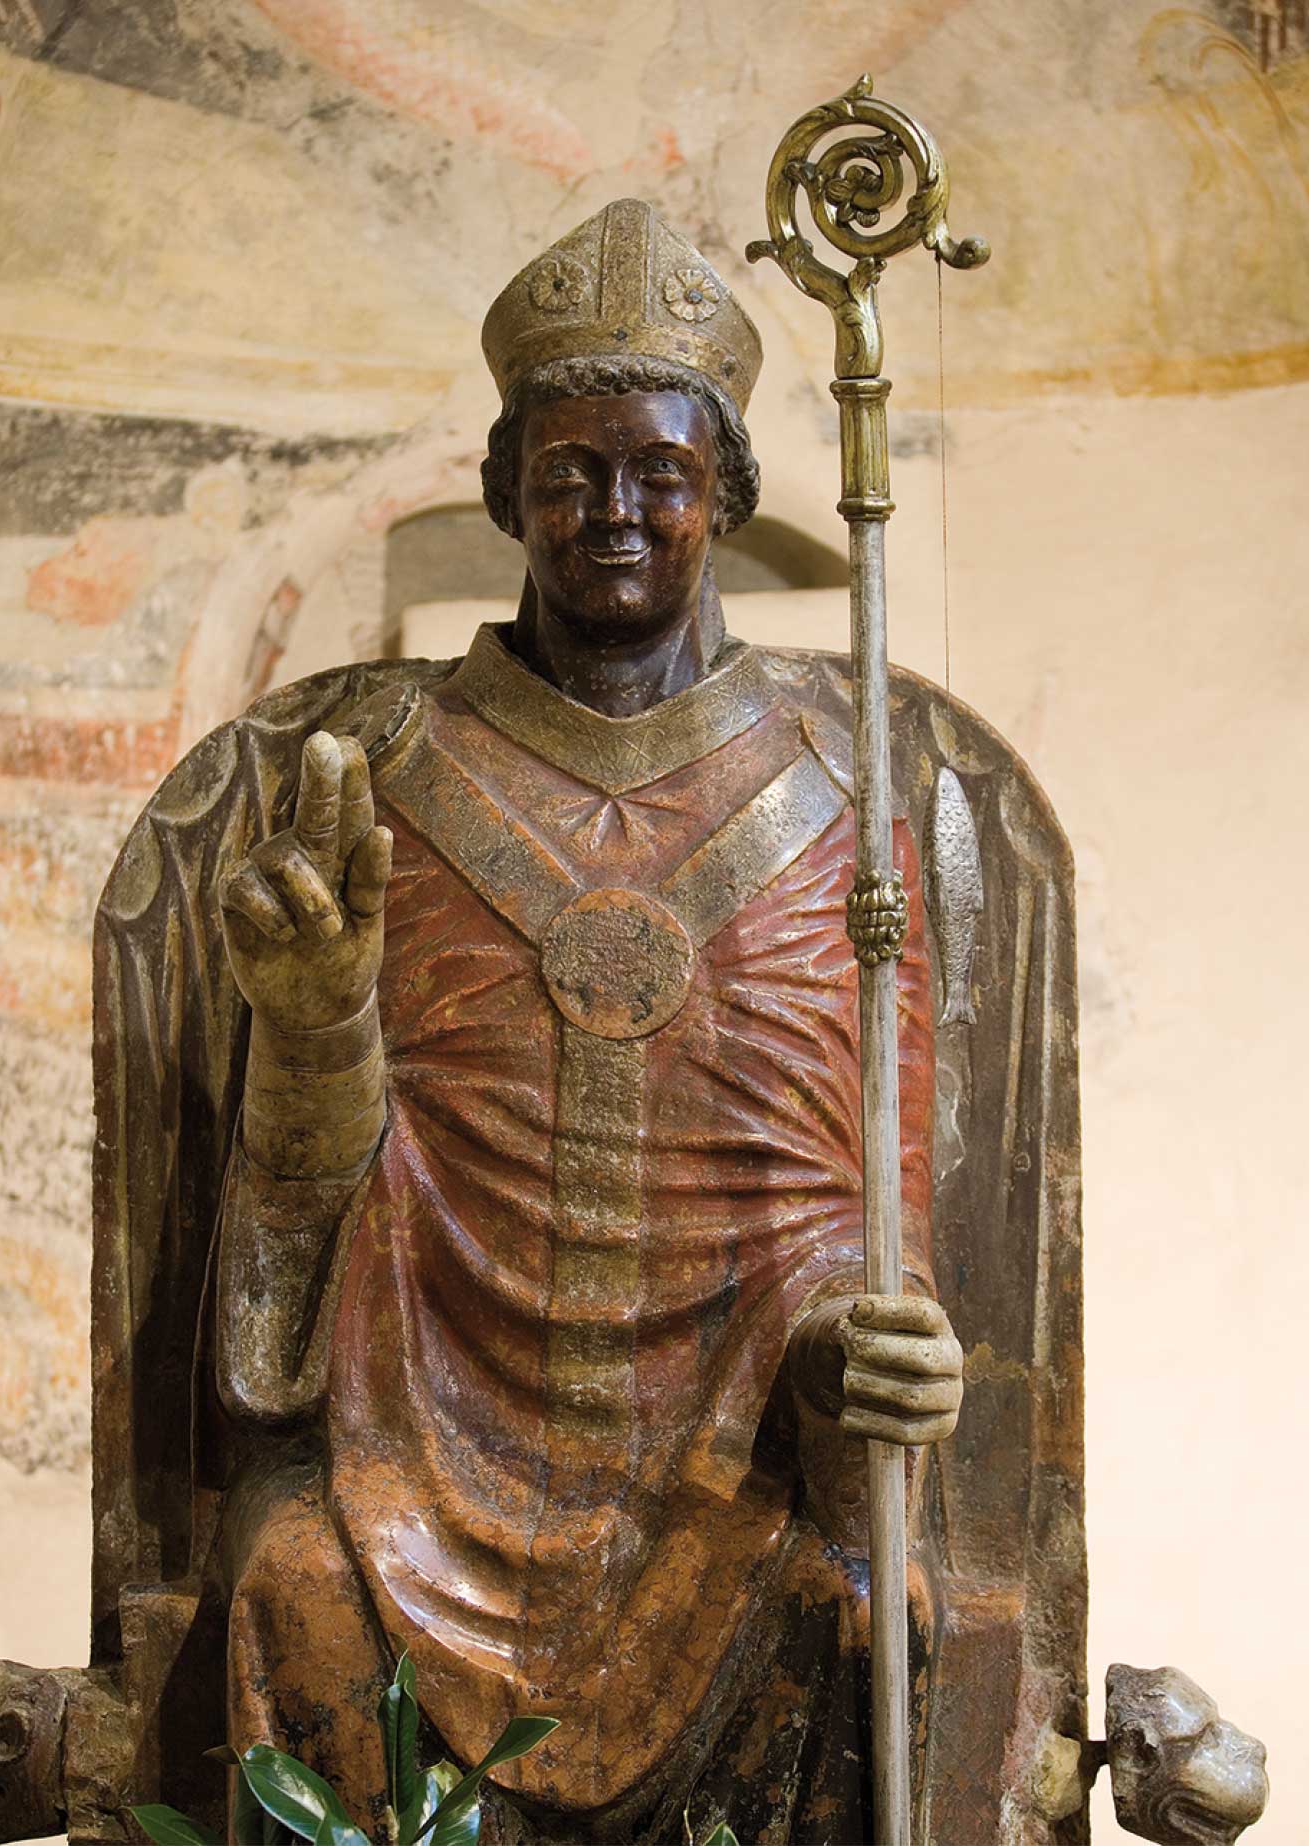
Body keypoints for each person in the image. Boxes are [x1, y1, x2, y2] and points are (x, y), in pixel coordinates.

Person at [220, 198, 965, 1844]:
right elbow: (316, 1210)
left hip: (727, 1462)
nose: (611, 515)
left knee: (868, 1607)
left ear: (729, 498)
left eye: (660, 476)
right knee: (287, 1581)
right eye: (566, 475)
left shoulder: (847, 801)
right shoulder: (378, 777)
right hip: (431, 1444)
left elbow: (858, 1193)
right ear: (504, 491)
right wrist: (319, 1027)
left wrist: (869, 1345)